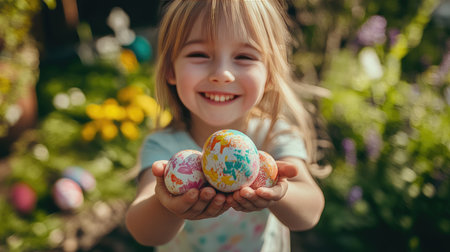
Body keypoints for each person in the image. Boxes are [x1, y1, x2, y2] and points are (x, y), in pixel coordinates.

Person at [126, 0, 326, 251]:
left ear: (271, 75)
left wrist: (279, 195)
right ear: (170, 70)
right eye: (199, 54)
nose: (222, 74)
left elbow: (310, 212)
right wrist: (168, 207)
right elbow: (143, 231)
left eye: (243, 56)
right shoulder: (164, 147)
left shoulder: (274, 137)